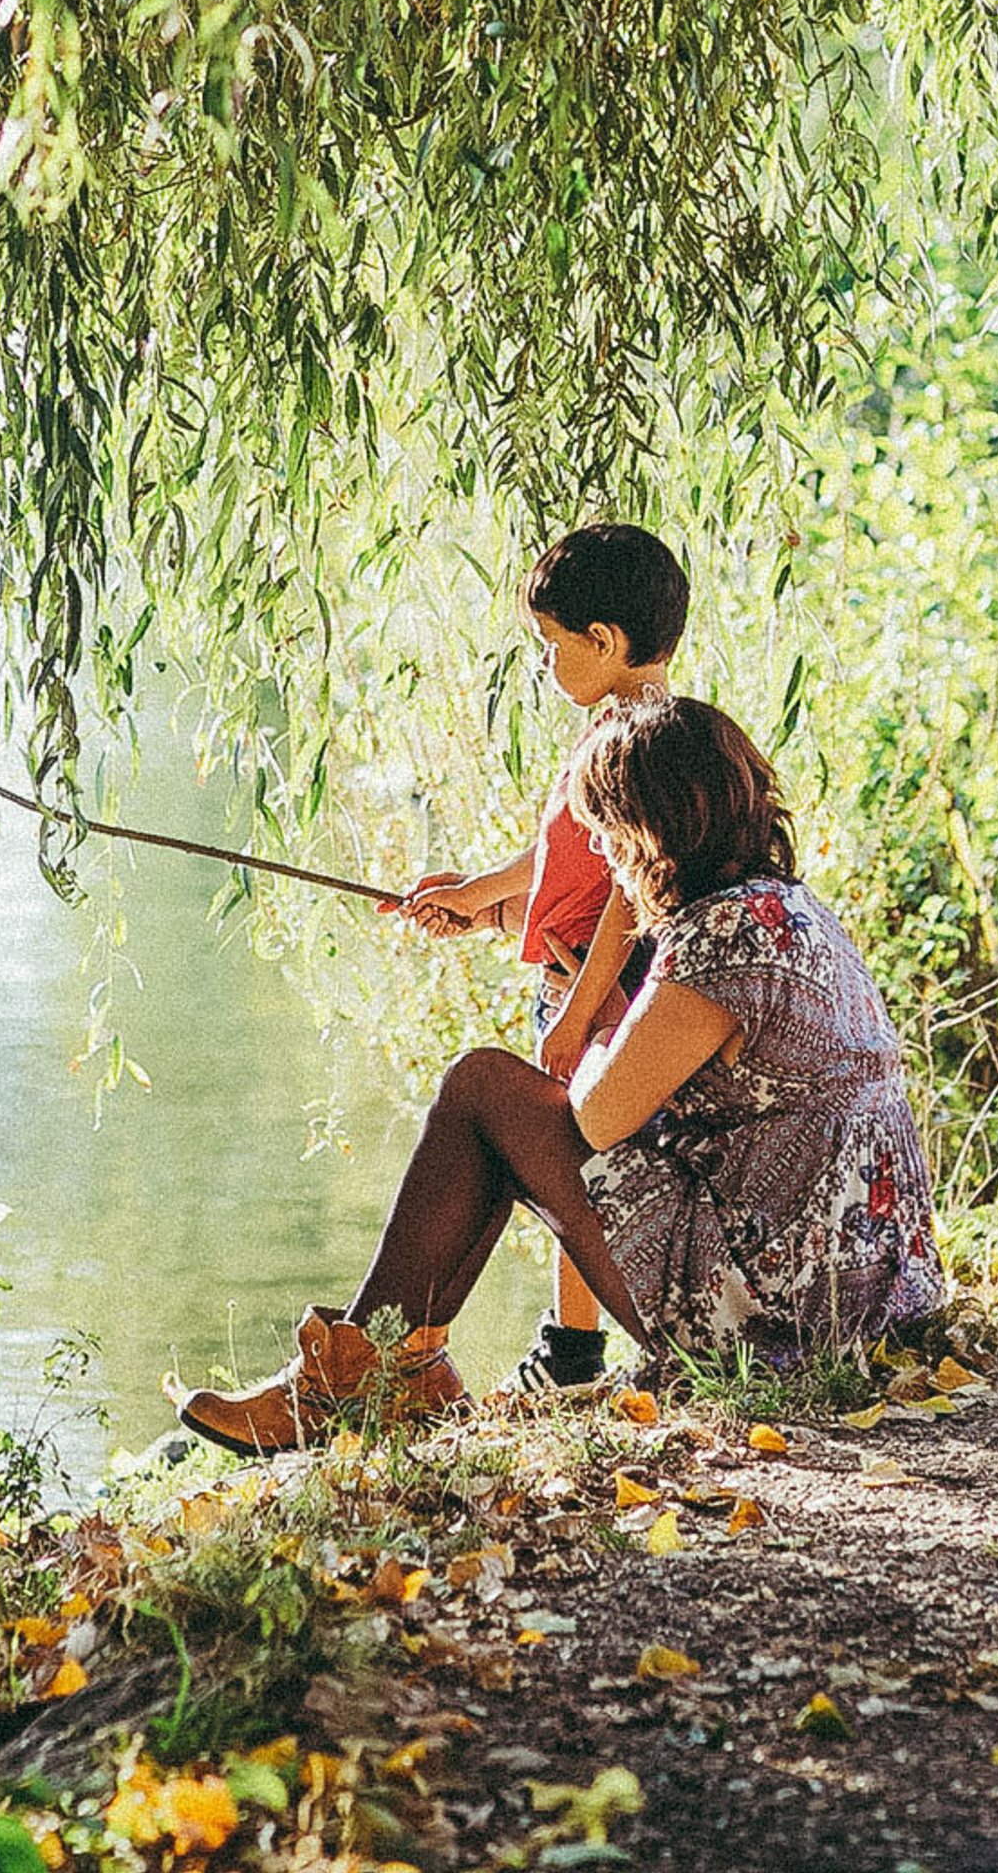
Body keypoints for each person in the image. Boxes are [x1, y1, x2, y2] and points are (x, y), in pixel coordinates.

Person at [169, 693, 944, 1455]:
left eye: (605, 833)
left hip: (782, 1318)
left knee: (484, 1089)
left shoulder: (717, 941)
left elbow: (598, 1120)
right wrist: (493, 915)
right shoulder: (784, 908)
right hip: (873, 1293)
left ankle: (353, 1383)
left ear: (652, 831)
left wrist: (603, 1021)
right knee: (500, 1106)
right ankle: (392, 1370)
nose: (602, 856)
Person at [389, 523, 687, 1392]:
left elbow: (629, 893)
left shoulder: (632, 743)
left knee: (575, 1163)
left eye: (553, 644)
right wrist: (476, 900)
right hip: (577, 984)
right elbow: (556, 862)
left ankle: (573, 1350)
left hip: (603, 996)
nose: (547, 663)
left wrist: (584, 1006)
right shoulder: (617, 732)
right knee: (567, 1161)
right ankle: (574, 1346)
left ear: (605, 642)